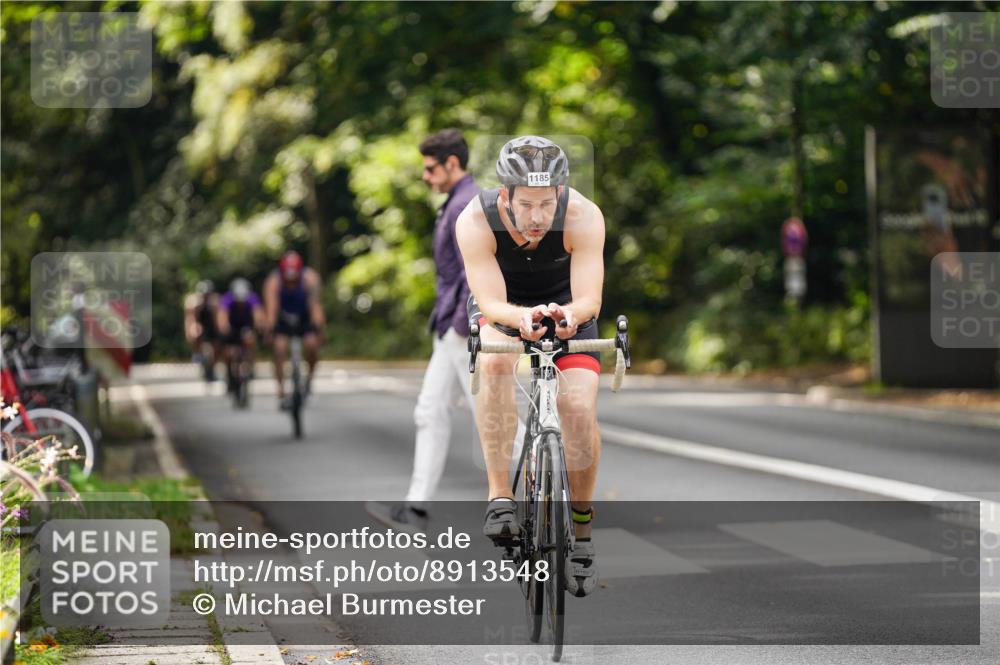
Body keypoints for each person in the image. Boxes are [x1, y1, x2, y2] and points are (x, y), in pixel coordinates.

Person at [455, 136, 606, 597]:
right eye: (527, 204)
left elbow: (589, 298)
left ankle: (580, 528)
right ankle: (500, 494)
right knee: (497, 366)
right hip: (503, 309)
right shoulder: (475, 220)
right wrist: (520, 319)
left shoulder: (584, 215)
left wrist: (570, 318)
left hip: (567, 310)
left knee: (577, 409)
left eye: (547, 203)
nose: (539, 216)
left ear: (560, 194)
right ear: (505, 196)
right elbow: (490, 302)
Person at [367, 128, 521, 534]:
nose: (426, 176)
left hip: (463, 325)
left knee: (492, 415)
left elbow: (479, 271)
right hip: (453, 325)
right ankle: (416, 508)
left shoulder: (467, 204)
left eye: (431, 168)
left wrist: (464, 324)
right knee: (431, 411)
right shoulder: (459, 201)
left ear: (453, 163)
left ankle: (543, 487)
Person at [262, 251, 325, 408]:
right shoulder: (273, 282)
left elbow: (315, 307)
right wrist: (269, 330)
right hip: (282, 319)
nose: (291, 283)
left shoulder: (310, 278)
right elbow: (271, 310)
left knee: (311, 346)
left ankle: (308, 381)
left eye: (294, 279)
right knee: (280, 349)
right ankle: (281, 390)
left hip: (304, 318)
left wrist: (320, 330)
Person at [217, 278, 264, 391]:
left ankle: (250, 365)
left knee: (251, 340)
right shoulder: (227, 299)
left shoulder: (252, 298)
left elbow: (258, 314)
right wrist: (224, 328)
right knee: (228, 352)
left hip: (246, 325)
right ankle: (229, 373)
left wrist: (259, 326)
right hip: (232, 326)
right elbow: (222, 316)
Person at [183, 279, 220, 381]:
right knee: (196, 332)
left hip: (211, 325)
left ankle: (213, 368)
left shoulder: (215, 303)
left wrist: (220, 334)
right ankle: (197, 352)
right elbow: (190, 319)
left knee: (216, 345)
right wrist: (190, 332)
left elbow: (218, 320)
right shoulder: (193, 303)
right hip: (199, 324)